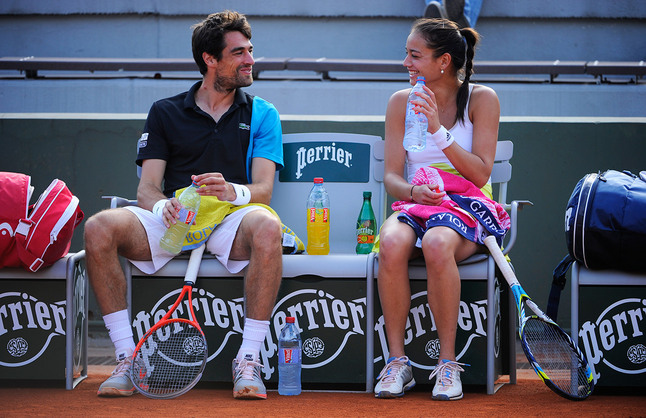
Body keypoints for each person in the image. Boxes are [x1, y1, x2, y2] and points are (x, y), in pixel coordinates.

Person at [84, 10, 284, 400]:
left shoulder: (263, 113)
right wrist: (164, 208)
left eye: (250, 50)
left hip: (230, 219)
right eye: (239, 52)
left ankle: (248, 360)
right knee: (98, 227)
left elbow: (263, 191)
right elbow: (147, 188)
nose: (250, 60)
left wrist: (232, 192)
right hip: (173, 221)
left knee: (268, 226)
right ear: (210, 59)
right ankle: (127, 358)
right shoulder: (165, 111)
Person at [374, 18, 500, 401]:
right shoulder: (400, 101)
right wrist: (414, 190)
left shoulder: (482, 99)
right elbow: (391, 176)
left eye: (415, 55)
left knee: (436, 243)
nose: (406, 63)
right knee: (390, 242)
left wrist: (436, 130)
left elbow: (480, 174)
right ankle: (397, 362)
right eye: (407, 54)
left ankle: (447, 363)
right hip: (417, 203)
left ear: (443, 61)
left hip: (467, 205)